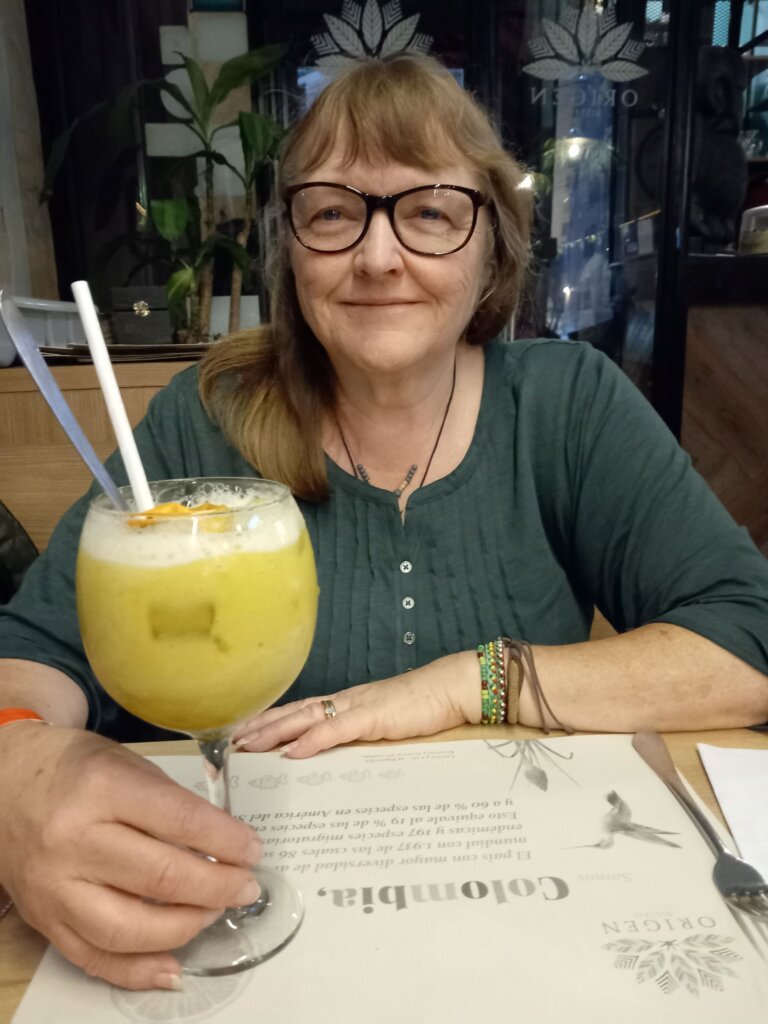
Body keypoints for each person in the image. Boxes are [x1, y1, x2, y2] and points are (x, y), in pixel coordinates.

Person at [0, 55, 767, 992]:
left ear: (494, 246)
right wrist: (15, 767)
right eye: (333, 212)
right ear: (291, 247)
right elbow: (32, 655)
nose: (376, 255)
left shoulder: (569, 406)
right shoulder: (204, 418)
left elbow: (745, 639)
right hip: (207, 923)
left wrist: (465, 683)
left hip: (515, 938)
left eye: (430, 212)